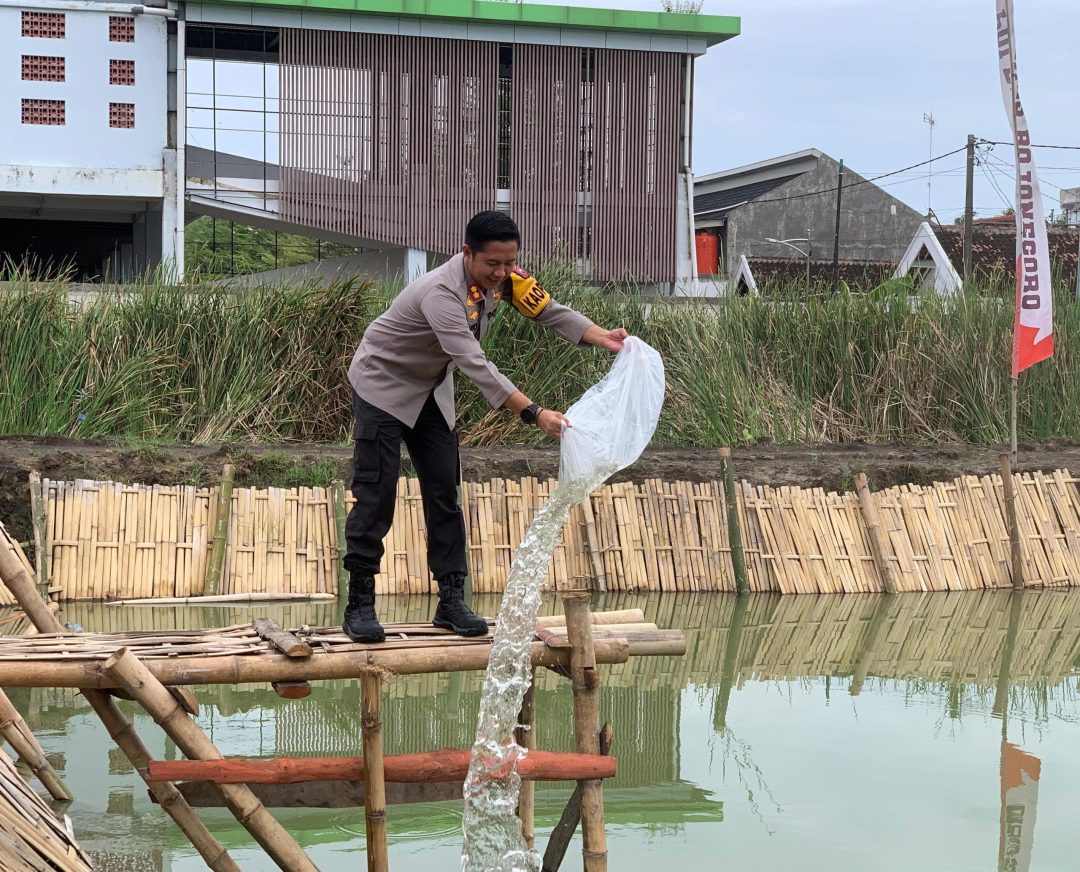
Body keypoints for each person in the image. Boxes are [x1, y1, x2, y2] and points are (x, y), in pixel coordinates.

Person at [342, 210, 628, 643]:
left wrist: (599, 335)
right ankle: (360, 604)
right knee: (376, 494)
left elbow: (548, 310)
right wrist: (533, 412)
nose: (502, 273)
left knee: (444, 493)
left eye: (509, 263)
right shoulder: (441, 292)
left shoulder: (507, 277)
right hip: (383, 386)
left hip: (430, 390)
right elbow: (474, 364)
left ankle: (451, 601)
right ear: (467, 253)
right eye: (492, 264)